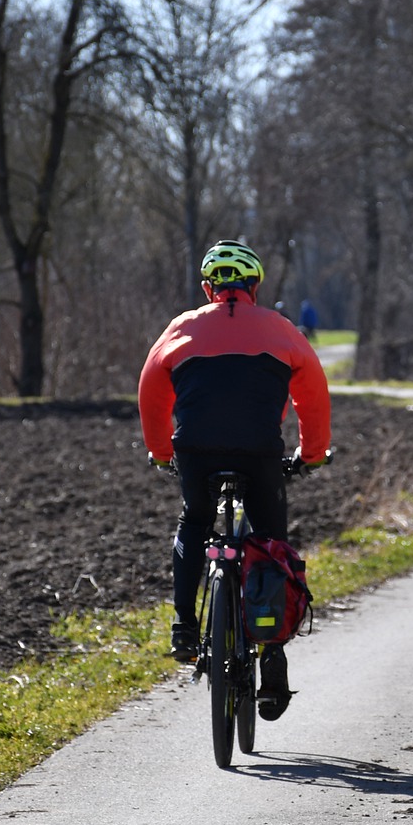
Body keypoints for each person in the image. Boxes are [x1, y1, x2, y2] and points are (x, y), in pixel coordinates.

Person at [139, 241, 331, 721]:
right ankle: (273, 655)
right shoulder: (282, 329)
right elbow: (313, 396)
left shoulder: (180, 327)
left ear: (208, 288)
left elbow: (150, 392)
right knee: (271, 542)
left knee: (194, 522)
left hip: (197, 452)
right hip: (260, 452)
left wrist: (164, 454)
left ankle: (184, 625)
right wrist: (309, 455)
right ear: (254, 287)